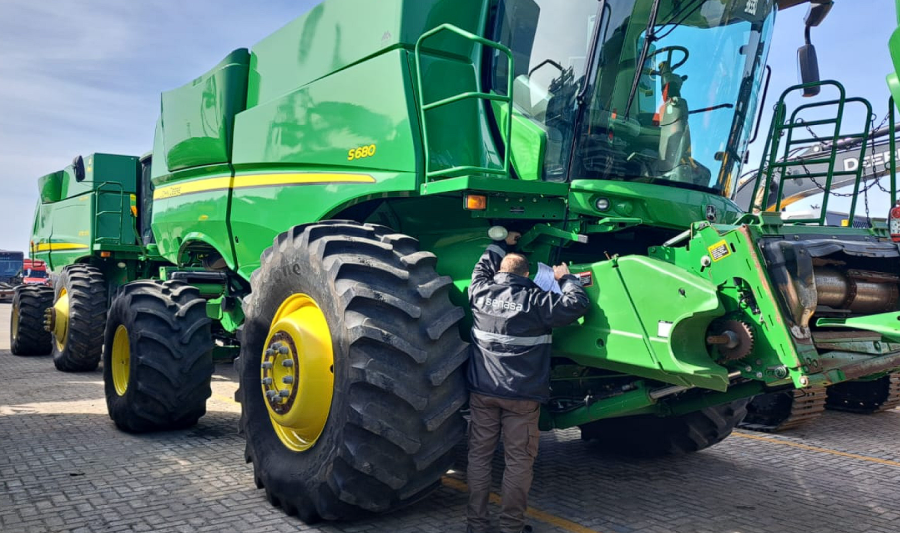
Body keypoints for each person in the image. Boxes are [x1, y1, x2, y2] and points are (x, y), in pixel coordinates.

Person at [466, 231, 590, 533]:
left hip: (483, 393)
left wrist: (500, 243)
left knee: (479, 458)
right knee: (518, 462)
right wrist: (566, 278)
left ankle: (476, 525)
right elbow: (577, 304)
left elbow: (481, 269)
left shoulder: (480, 292)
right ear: (527, 275)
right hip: (522, 397)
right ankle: (511, 527)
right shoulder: (537, 300)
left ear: (500, 272)